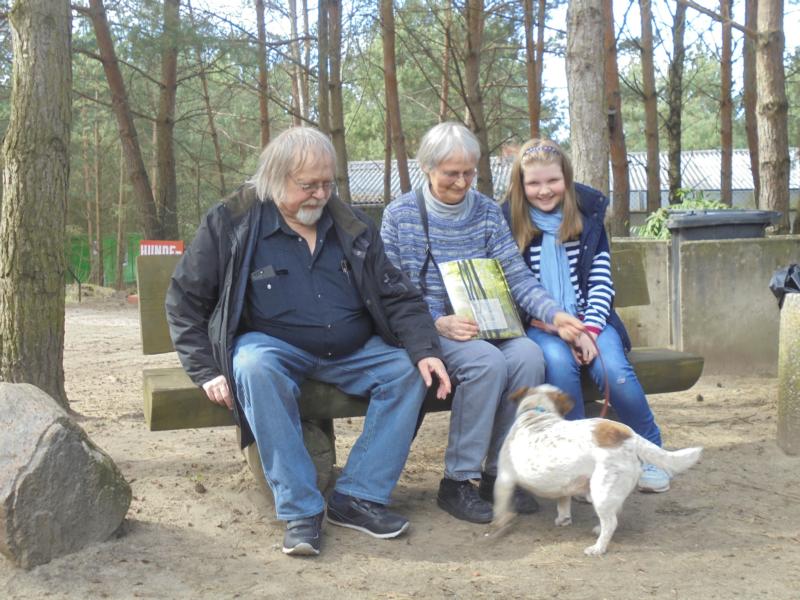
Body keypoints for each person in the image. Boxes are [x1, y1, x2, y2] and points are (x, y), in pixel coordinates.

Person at [165, 126, 451, 557]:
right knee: (253, 366)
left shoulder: (352, 225)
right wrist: (205, 369)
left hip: (353, 350)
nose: (321, 194)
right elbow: (184, 300)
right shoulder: (231, 222)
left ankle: (358, 497)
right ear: (275, 179)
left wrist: (425, 350)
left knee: (408, 372)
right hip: (273, 347)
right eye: (308, 185)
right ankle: (300, 510)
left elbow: (397, 296)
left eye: (327, 183)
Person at [380, 122, 584, 524]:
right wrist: (438, 322)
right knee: (486, 363)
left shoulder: (487, 212)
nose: (462, 182)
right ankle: (458, 480)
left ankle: (499, 473)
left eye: (469, 172)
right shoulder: (400, 215)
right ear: (426, 168)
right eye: (451, 173)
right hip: (431, 331)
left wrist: (554, 314)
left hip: (488, 325)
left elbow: (516, 276)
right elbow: (389, 289)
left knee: (528, 355)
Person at [502, 138, 670, 493]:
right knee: (558, 366)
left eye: (553, 180)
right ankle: (579, 463)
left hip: (592, 321)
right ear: (520, 185)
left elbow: (600, 282)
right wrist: (556, 326)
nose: (544, 190)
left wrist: (589, 330)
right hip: (542, 326)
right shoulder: (510, 224)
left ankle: (651, 452)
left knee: (615, 372)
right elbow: (516, 289)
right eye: (534, 183)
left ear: (567, 179)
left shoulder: (587, 220)